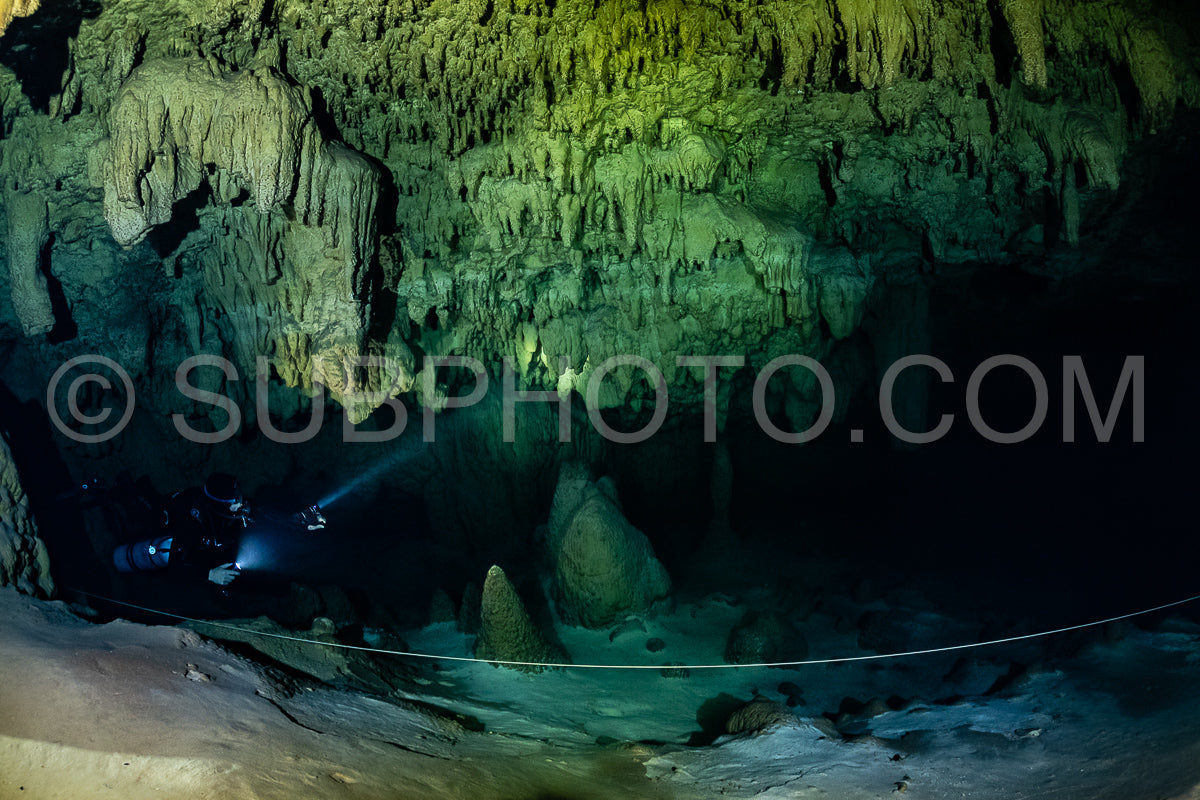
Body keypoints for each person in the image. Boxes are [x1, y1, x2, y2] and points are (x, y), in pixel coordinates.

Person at [110, 472, 325, 587]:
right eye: (235, 500)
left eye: (240, 495)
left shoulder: (232, 506)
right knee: (144, 513)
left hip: (208, 536)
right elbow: (176, 569)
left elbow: (264, 514)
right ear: (221, 504)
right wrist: (210, 575)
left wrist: (301, 520)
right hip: (168, 523)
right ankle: (127, 491)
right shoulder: (192, 524)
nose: (241, 502)